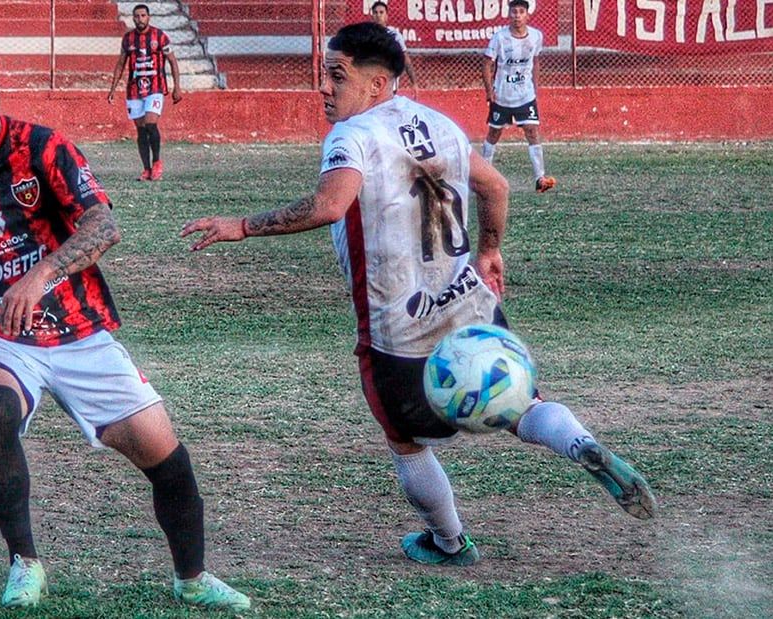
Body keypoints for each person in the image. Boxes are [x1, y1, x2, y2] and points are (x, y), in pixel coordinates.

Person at [181, 22, 656, 567]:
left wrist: (241, 225)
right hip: (471, 305)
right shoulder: (440, 123)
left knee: (405, 440)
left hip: (398, 327)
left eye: (336, 76)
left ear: (378, 83)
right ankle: (580, 445)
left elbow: (329, 205)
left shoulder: (352, 135)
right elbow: (496, 186)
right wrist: (489, 251)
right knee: (523, 403)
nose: (324, 88)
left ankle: (449, 541)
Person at [0, 43, 248, 611]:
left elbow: (104, 225)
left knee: (167, 461)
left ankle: (191, 577)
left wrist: (42, 273)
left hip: (77, 327)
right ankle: (25, 563)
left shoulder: (42, 147)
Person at [482, 0, 556, 193]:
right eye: (513, 12)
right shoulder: (500, 38)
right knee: (494, 134)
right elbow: (487, 64)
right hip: (503, 96)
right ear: (509, 15)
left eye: (521, 11)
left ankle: (540, 177)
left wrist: (535, 86)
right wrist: (489, 90)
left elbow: (536, 60)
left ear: (527, 15)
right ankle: (483, 175)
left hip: (525, 95)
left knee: (532, 131)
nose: (517, 15)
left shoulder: (536, 36)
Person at [108, 3, 182, 182]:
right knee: (141, 130)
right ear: (133, 18)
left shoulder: (160, 36)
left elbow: (172, 61)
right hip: (134, 91)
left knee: (150, 124)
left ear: (148, 17)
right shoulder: (128, 39)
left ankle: (157, 163)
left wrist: (177, 87)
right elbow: (120, 64)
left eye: (143, 15)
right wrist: (112, 89)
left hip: (155, 88)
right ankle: (146, 169)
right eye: (137, 16)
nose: (140, 19)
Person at [370, 1, 419, 99]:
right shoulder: (367, 35)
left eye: (381, 12)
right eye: (375, 13)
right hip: (371, 81)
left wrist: (414, 83)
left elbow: (405, 59)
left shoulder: (394, 35)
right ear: (372, 16)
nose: (378, 15)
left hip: (389, 83)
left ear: (387, 16)